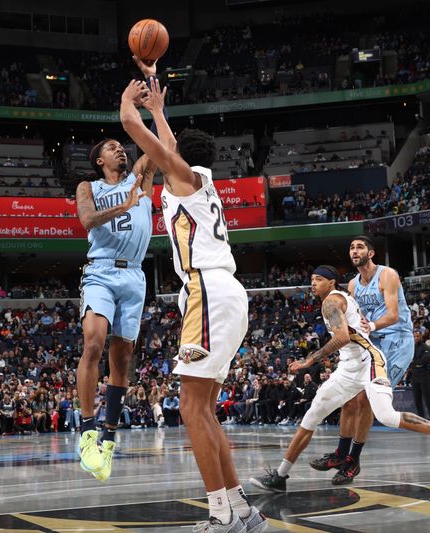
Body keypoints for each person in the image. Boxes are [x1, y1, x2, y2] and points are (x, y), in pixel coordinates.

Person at [121, 77, 267, 532]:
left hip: (208, 291)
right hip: (221, 293)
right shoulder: (196, 182)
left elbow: (137, 131)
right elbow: (168, 147)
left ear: (181, 156)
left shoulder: (184, 178)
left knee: (189, 407)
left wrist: (133, 106)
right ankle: (242, 510)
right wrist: (161, 112)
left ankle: (220, 516)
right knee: (201, 409)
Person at [250, 266, 430, 493]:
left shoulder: (331, 302)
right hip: (348, 368)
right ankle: (280, 475)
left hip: (370, 363)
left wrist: (310, 360)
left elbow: (343, 337)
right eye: (311, 279)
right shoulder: (340, 299)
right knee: (311, 417)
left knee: (386, 416)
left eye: (318, 279)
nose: (313, 283)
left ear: (332, 282)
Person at [74, 57, 159, 481]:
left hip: (135, 274)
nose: (119, 149)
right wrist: (122, 208)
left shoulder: (140, 178)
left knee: (122, 363)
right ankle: (87, 430)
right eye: (111, 147)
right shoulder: (89, 187)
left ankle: (109, 434)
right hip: (102, 270)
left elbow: (158, 143)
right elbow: (88, 221)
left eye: (120, 145)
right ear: (99, 161)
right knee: (94, 342)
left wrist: (150, 83)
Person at [309, 236, 419, 485]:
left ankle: (353, 461)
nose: (354, 250)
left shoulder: (387, 275)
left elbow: (393, 315)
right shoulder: (352, 285)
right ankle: (340, 454)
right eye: (351, 247)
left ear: (371, 253)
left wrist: (372, 326)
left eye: (360, 247)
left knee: (365, 399)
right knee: (348, 400)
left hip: (396, 341)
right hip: (371, 341)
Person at [410, 331, 430, 423]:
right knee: (417, 401)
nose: (416, 338)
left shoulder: (426, 347)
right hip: (414, 376)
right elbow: (410, 361)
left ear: (421, 337)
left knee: (428, 400)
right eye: (414, 336)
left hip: (424, 376)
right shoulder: (411, 348)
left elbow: (423, 361)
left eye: (417, 336)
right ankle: (422, 422)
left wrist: (415, 363)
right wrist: (415, 364)